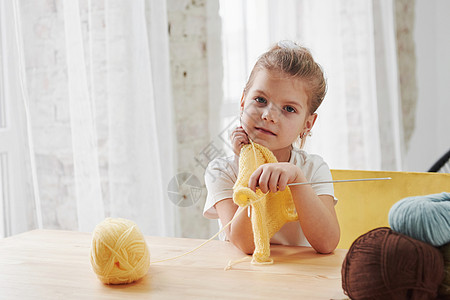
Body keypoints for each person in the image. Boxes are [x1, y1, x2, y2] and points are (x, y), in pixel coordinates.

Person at [203, 40, 340, 255]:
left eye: (288, 108)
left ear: (308, 124)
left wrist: (296, 178)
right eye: (260, 99)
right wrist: (251, 164)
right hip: (242, 279)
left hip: (302, 279)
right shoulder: (221, 171)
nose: (268, 115)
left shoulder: (312, 168)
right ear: (242, 102)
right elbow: (244, 244)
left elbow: (328, 243)